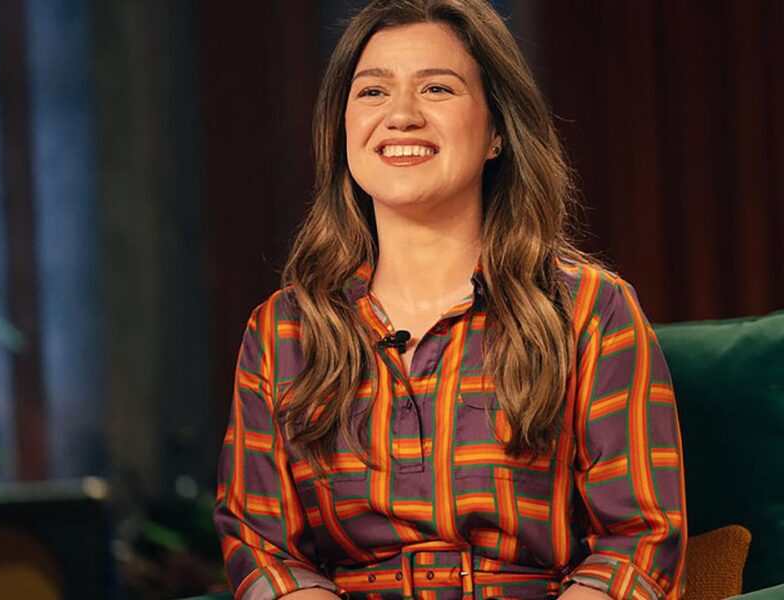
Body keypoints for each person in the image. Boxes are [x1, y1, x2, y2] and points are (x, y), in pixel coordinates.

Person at [213, 1, 687, 598]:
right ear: (342, 129)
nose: (401, 116)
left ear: (497, 133)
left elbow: (640, 542)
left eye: (436, 88)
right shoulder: (282, 331)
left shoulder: (592, 310)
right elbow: (261, 547)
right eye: (372, 92)